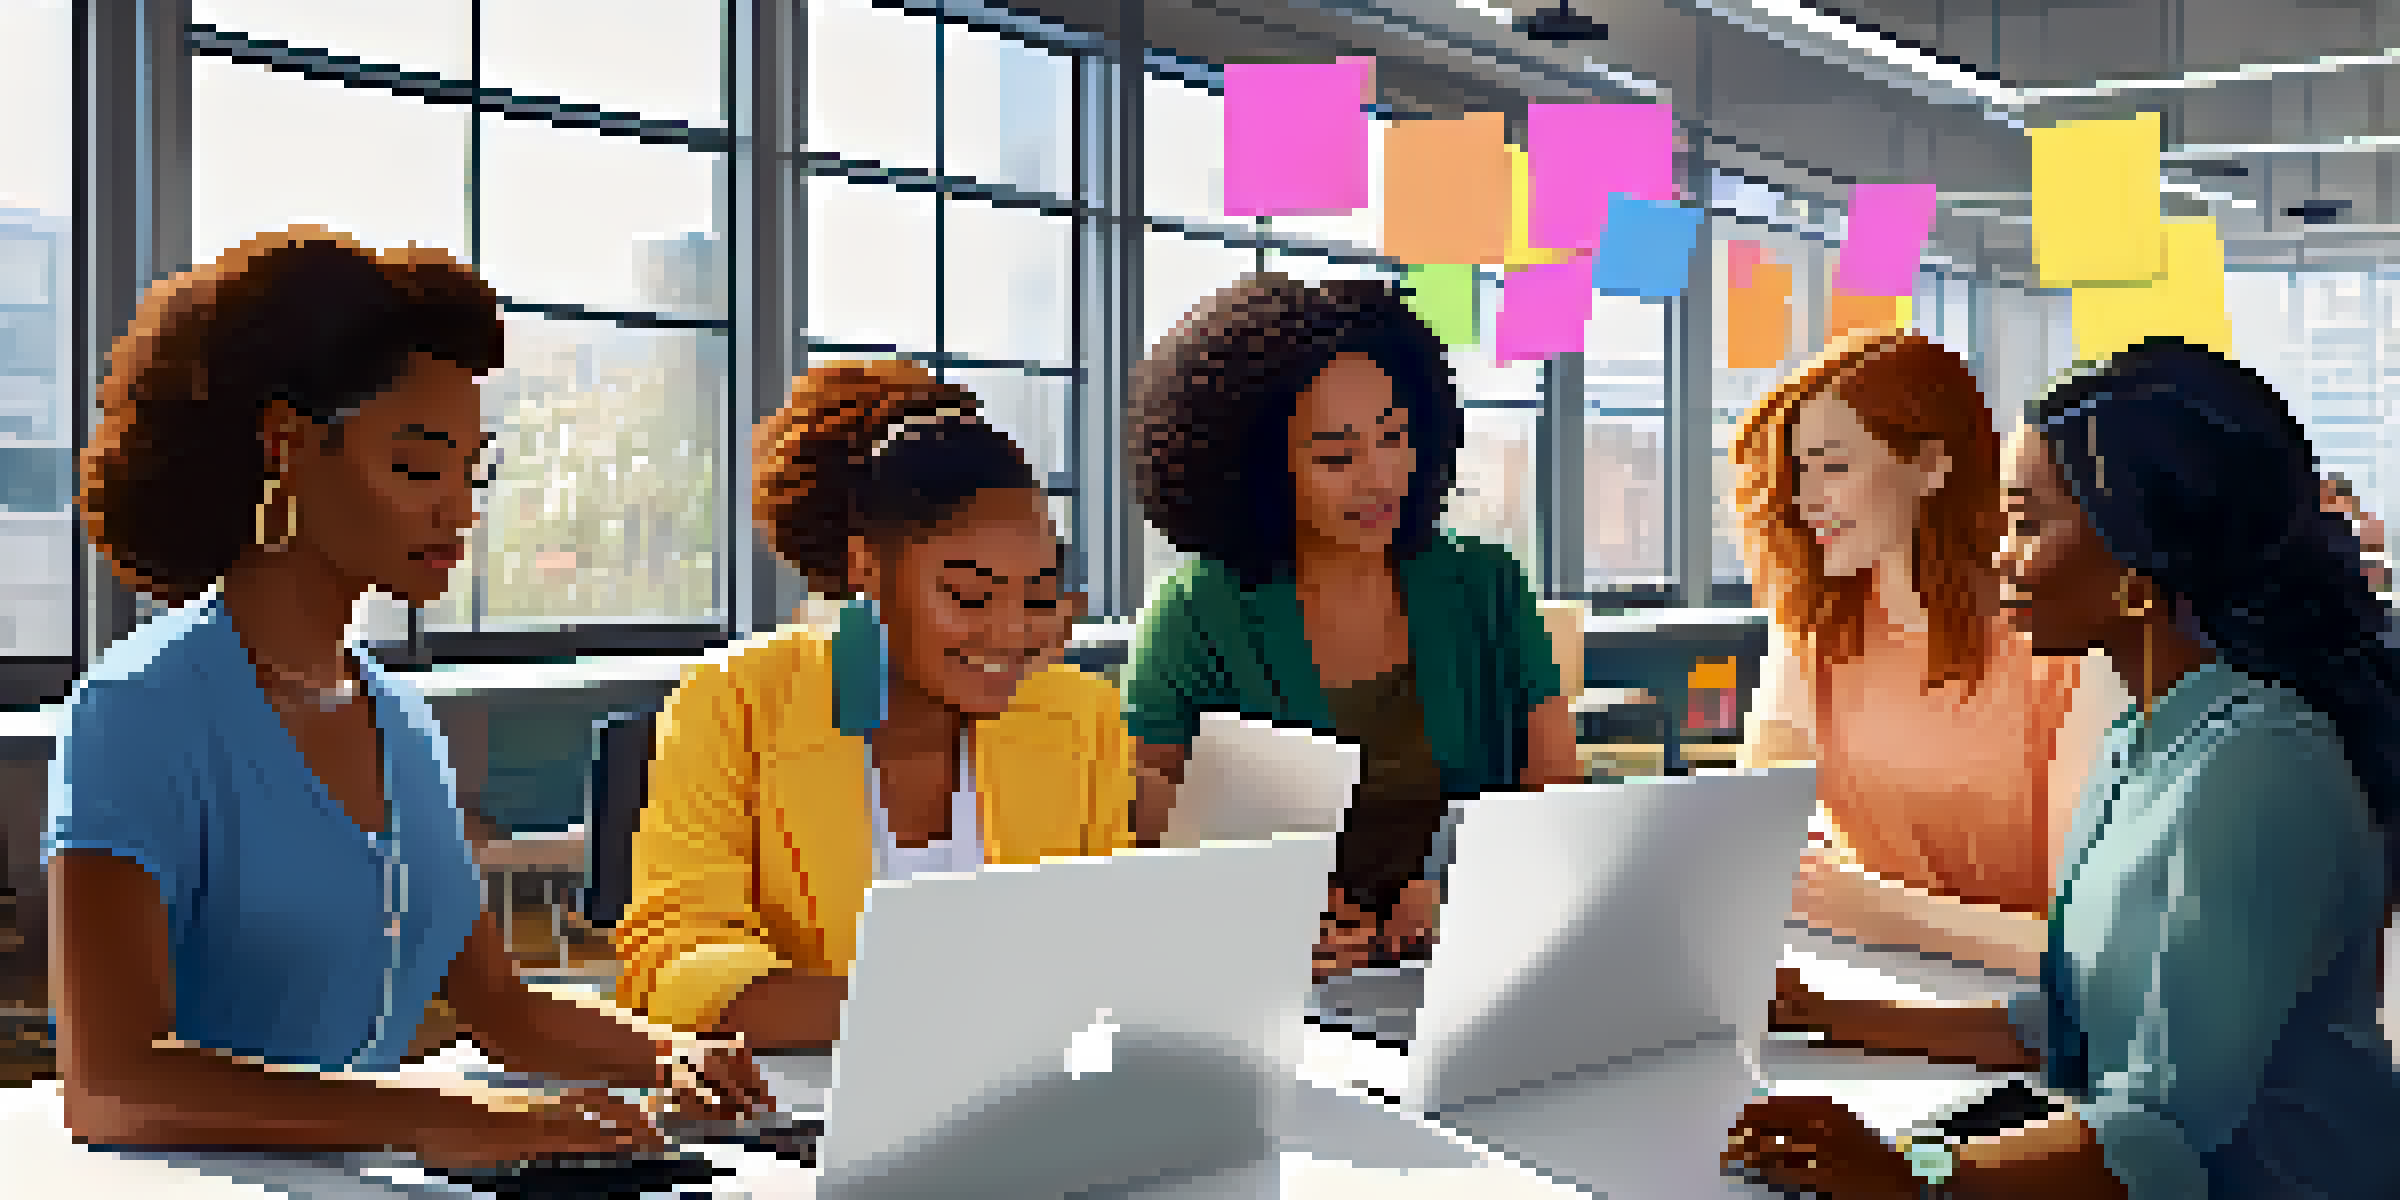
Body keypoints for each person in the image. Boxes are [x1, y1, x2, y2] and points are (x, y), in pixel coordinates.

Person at [47, 228, 767, 1170]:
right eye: (421, 468)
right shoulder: (138, 712)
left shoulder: (402, 725)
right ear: (287, 446)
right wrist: (442, 1115)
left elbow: (503, 1010)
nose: (459, 510)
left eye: (471, 471)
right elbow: (111, 1082)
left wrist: (670, 1054)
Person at [1727, 336, 2400, 1198]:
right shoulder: (2140, 735)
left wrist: (1914, 1172)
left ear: (2137, 566)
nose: (1998, 554)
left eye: (2027, 523)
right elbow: (2073, 1020)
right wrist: (1831, 1017)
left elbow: (2164, 1132)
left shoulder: (2258, 768)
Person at [611, 361, 1133, 1049]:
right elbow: (672, 963)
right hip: (809, 1092)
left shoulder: (1081, 716)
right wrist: (923, 1012)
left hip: (1033, 1086)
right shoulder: (735, 704)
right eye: (969, 596)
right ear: (865, 567)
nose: (1011, 632)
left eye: (1037, 595)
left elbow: (1108, 944)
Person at [1121, 274, 1582, 979]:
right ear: (1260, 467)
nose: (1380, 477)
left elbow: (1554, 793)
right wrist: (1257, 923)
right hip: (1266, 988)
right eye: (1337, 456)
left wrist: (1465, 888)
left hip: (1474, 970)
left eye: (1395, 438)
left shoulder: (1487, 585)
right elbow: (1139, 826)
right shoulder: (1192, 615)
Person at [1729, 330, 2126, 977]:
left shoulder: (2066, 644)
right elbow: (1748, 847)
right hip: (1865, 972)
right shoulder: (1814, 627)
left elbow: (2086, 942)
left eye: (1834, 468)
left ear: (1932, 465)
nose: (1805, 500)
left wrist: (1866, 909)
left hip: (2024, 1005)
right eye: (1799, 472)